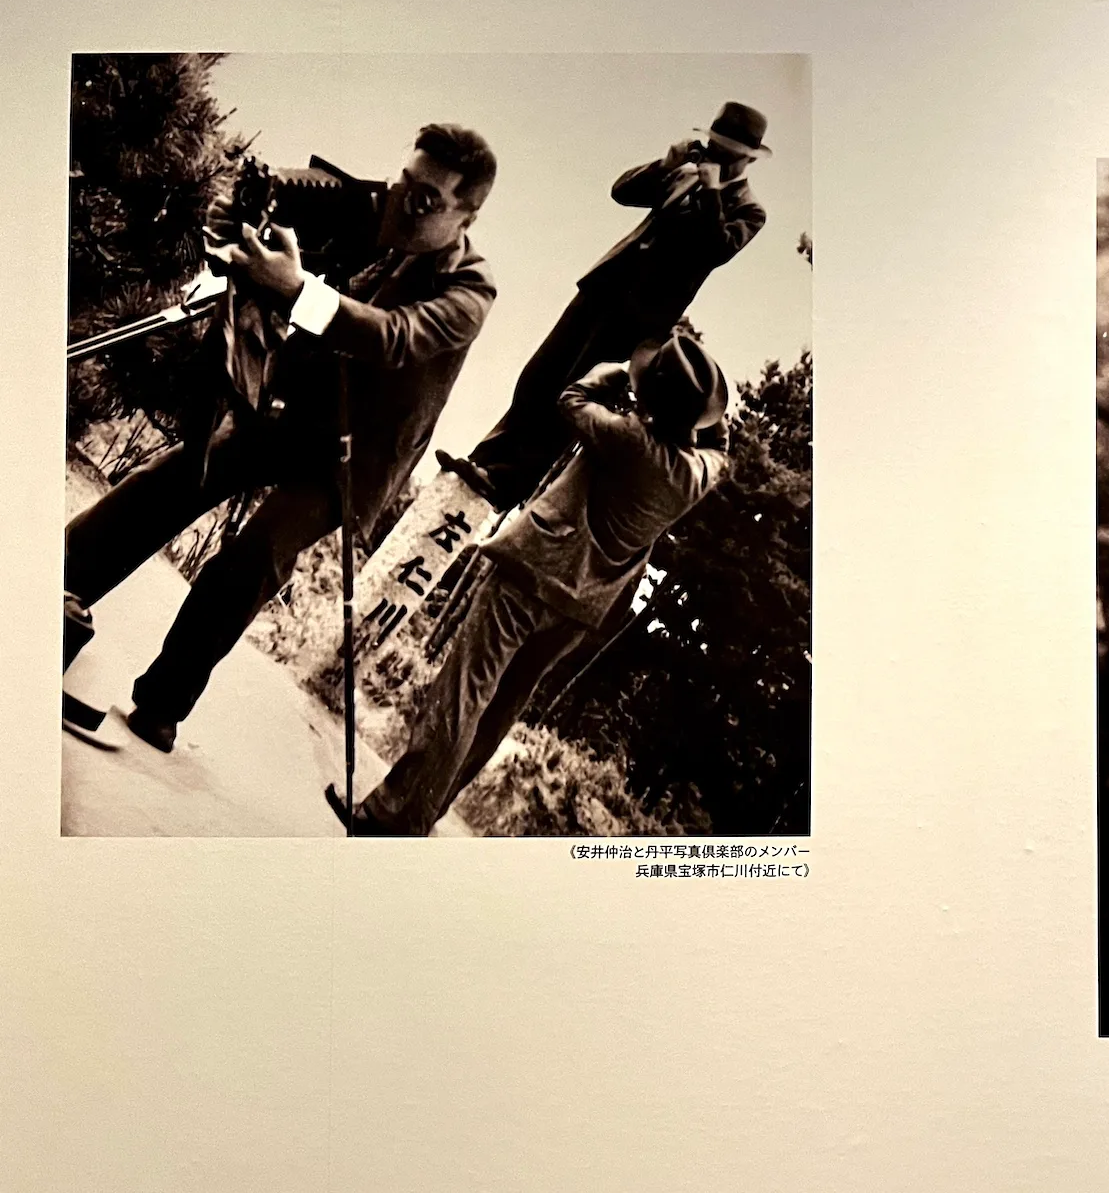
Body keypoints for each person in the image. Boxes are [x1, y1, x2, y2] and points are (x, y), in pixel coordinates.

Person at [62, 124, 499, 754]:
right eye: (405, 181)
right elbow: (284, 218)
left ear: (466, 215)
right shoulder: (369, 210)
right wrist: (235, 225)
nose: (403, 202)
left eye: (426, 200)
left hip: (349, 457)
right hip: (289, 411)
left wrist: (296, 289)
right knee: (170, 479)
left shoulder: (470, 290)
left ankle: (163, 704)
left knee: (256, 555)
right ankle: (51, 588)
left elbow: (393, 337)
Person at [333, 331, 730, 837]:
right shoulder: (699, 474)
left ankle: (389, 816)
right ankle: (418, 815)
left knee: (462, 693)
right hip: (582, 608)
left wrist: (619, 375)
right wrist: (680, 405)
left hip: (530, 575)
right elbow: (719, 444)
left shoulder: (630, 440)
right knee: (499, 711)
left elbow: (572, 399)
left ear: (652, 398)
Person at [443, 100, 768, 510]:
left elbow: (715, 250)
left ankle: (507, 483)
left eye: (727, 152)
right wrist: (666, 164)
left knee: (571, 394)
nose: (715, 155)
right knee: (541, 374)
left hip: (639, 318)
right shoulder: (684, 176)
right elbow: (622, 191)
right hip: (603, 290)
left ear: (748, 158)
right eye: (713, 146)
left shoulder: (749, 210)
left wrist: (714, 192)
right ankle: (484, 460)